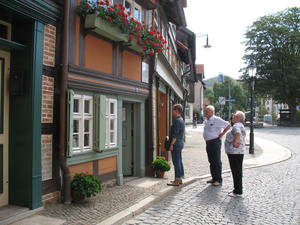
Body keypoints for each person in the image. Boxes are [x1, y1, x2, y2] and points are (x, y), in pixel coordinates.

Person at [203, 105, 231, 186]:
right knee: (211, 160)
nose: (205, 112)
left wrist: (222, 133)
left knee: (216, 161)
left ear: (212, 112)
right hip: (208, 143)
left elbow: (228, 125)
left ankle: (218, 179)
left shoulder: (216, 119)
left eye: (207, 111)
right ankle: (214, 178)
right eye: (205, 111)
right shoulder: (207, 120)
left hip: (215, 142)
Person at [225, 111, 246, 197]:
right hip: (238, 152)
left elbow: (237, 133)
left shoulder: (237, 125)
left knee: (236, 172)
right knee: (237, 171)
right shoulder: (240, 125)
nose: (232, 117)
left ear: (238, 118)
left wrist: (235, 142)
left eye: (234, 116)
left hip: (235, 152)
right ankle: (237, 190)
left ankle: (237, 191)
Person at [167, 104, 185, 186]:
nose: (172, 112)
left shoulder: (177, 120)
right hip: (180, 143)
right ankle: (180, 178)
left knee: (176, 162)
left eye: (173, 110)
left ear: (177, 110)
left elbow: (176, 134)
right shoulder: (181, 119)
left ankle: (177, 180)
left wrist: (171, 144)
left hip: (176, 144)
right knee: (179, 161)